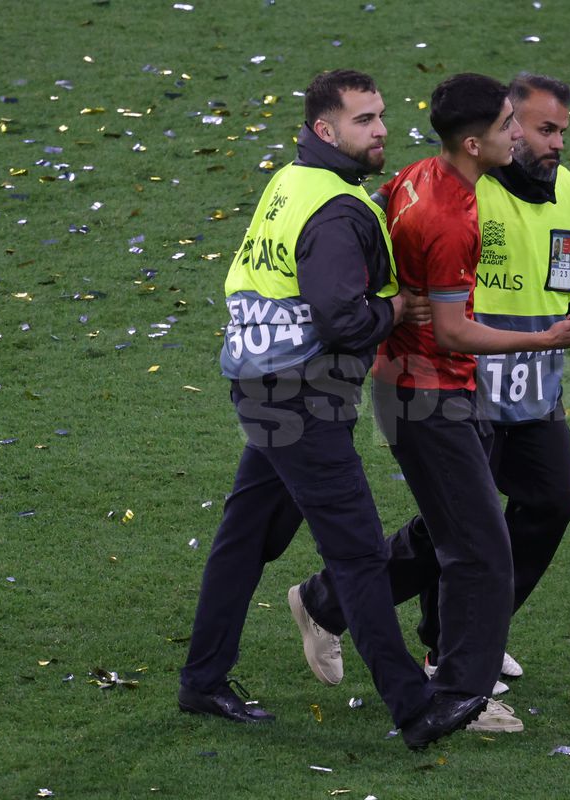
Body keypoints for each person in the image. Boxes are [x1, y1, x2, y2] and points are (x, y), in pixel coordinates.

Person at [289, 72, 570, 732]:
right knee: (473, 538)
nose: (539, 139)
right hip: (441, 383)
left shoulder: (466, 182)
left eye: (556, 130)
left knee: (525, 509)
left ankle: (352, 609)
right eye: (526, 126)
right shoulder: (455, 205)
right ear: (482, 137)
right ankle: (457, 678)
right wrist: (385, 307)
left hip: (500, 381)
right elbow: (438, 317)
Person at [178, 69, 486, 751]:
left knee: (243, 537)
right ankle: (413, 710)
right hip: (302, 398)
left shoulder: (293, 181)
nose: (381, 130)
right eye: (363, 120)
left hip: (264, 385)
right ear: (326, 129)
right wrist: (394, 309)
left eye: (381, 116)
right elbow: (342, 319)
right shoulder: (338, 211)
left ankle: (202, 678)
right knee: (358, 555)